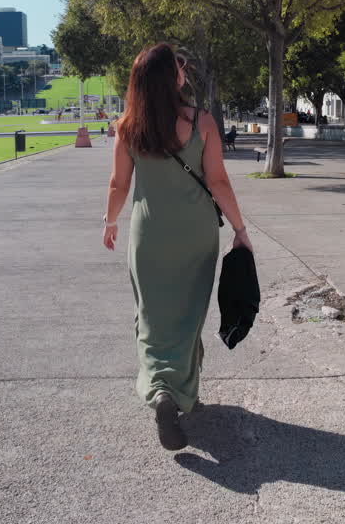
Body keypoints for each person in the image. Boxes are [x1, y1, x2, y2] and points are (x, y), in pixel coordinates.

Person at [103, 42, 252, 451]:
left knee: (152, 316)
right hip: (196, 234)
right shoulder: (202, 121)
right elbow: (218, 182)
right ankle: (181, 393)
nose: (184, 71)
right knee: (188, 316)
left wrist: (110, 220)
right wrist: (240, 229)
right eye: (179, 67)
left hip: (149, 234)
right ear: (173, 78)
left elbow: (119, 184)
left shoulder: (128, 126)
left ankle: (161, 391)